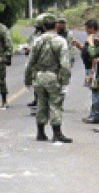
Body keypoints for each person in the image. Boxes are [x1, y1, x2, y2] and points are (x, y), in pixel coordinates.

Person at [25, 13, 72, 142]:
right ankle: (57, 133)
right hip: (53, 77)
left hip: (39, 76)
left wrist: (27, 80)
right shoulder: (60, 41)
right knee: (55, 104)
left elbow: (30, 62)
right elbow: (65, 64)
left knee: (41, 104)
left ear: (44, 27)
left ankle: (40, 132)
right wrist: (65, 81)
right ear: (56, 25)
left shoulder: (37, 41)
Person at [72, 19, 99, 124]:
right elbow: (87, 51)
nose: (86, 31)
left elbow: (95, 57)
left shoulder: (95, 39)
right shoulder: (91, 39)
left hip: (93, 69)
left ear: (92, 29)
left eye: (87, 29)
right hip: (90, 68)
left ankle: (95, 116)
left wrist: (92, 73)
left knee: (95, 93)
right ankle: (94, 114)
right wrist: (79, 46)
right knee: (94, 92)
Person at [26, 14, 45, 108]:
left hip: (45, 62)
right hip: (36, 62)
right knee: (36, 81)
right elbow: (30, 42)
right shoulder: (35, 34)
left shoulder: (49, 36)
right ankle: (37, 99)